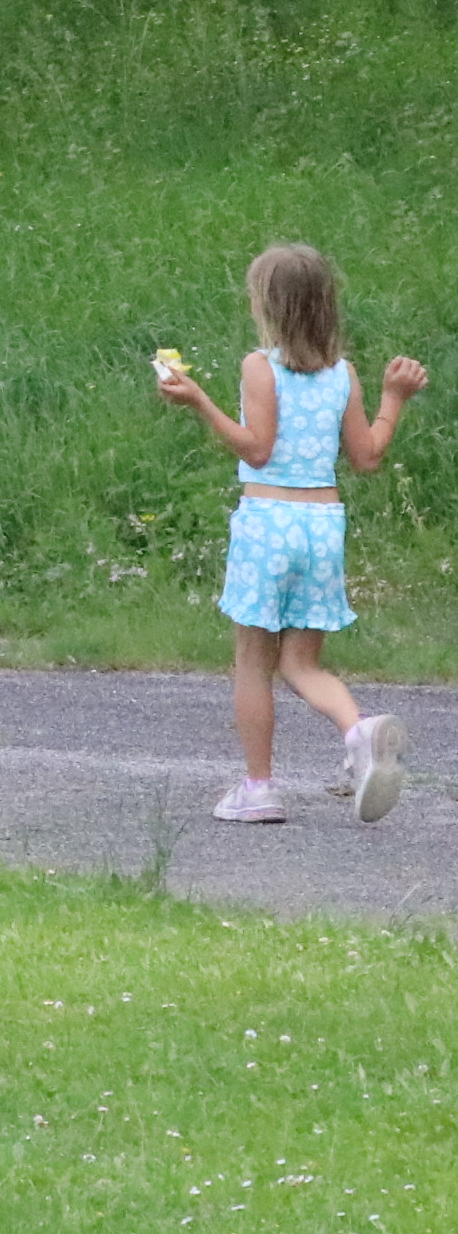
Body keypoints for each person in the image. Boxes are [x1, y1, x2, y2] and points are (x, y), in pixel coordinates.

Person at [157, 244, 422, 824]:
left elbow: (257, 449)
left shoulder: (260, 366)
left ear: (268, 306)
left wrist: (200, 401)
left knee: (254, 661)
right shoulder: (343, 374)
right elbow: (367, 458)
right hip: (322, 525)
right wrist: (393, 399)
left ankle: (259, 788)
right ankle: (359, 731)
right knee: (302, 663)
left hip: (268, 521)